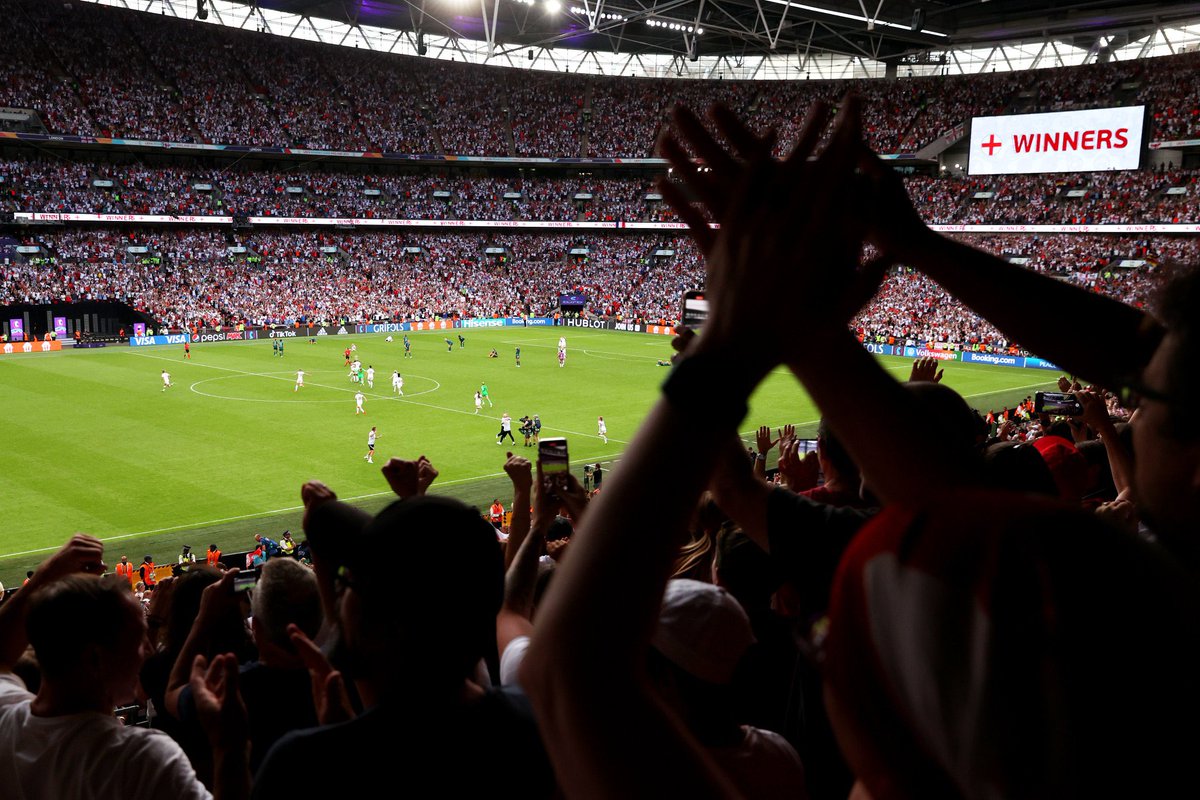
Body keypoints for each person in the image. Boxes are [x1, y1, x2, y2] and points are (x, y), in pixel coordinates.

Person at [252, 494, 555, 798]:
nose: (340, 594)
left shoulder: (299, 766)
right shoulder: (542, 726)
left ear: (386, 625)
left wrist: (230, 755)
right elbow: (509, 607)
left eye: (348, 583)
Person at [0, 535, 250, 800]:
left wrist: (45, 577)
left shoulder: (7, 718)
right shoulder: (141, 761)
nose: (149, 649)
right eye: (137, 640)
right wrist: (230, 747)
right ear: (95, 658)